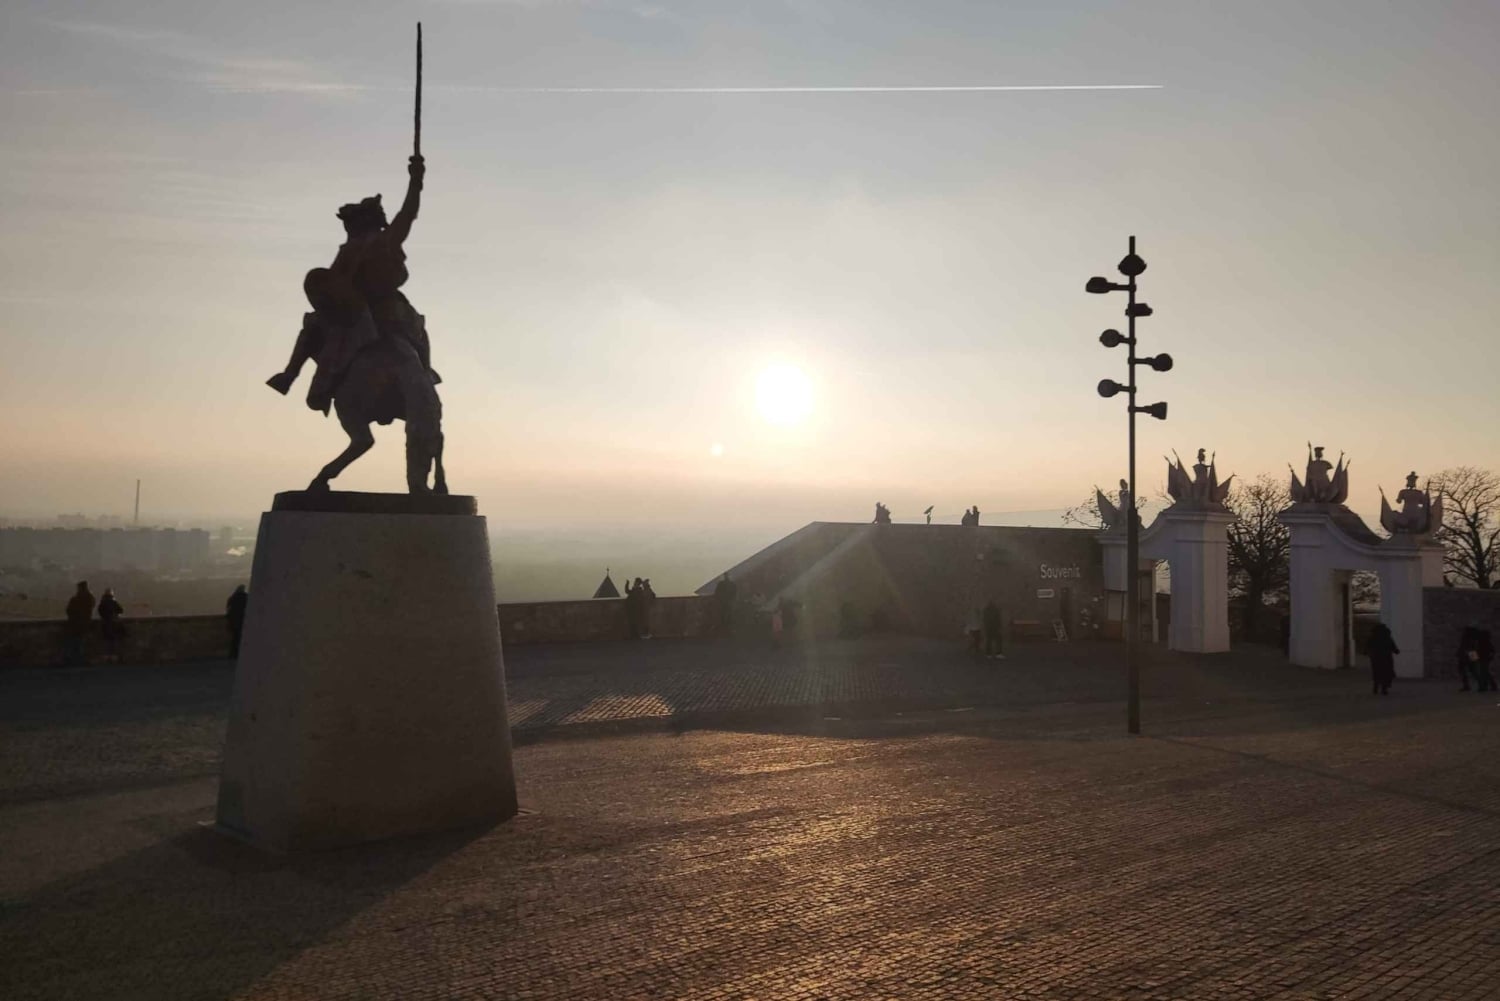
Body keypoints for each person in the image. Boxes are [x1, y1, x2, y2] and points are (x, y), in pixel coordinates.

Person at [64, 581, 95, 665]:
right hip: (84, 624)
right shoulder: (89, 598)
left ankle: (72, 658)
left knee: (74, 641)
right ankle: (79, 658)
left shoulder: (75, 599)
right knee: (80, 641)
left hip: (75, 624)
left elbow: (68, 610)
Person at [1367, 623, 1399, 695]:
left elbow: (1368, 646)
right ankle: (1384, 688)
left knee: (1376, 672)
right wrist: (1396, 651)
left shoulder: (1372, 637)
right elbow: (1392, 646)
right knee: (1386, 673)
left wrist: (1366, 652)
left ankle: (1375, 687)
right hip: (1386, 657)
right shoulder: (1387, 637)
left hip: (1376, 658)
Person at [97, 588, 124, 663]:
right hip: (113, 624)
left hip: (105, 624)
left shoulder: (102, 603)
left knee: (106, 640)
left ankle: (106, 657)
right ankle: (114, 657)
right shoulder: (114, 602)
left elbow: (100, 611)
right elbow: (121, 610)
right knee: (113, 640)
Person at [226, 585, 249, 659]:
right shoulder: (246, 597)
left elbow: (228, 609)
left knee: (235, 638)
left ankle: (233, 654)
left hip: (234, 621)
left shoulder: (232, 597)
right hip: (242, 620)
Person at [713, 572, 737, 636]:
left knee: (726, 616)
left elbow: (717, 593)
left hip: (726, 602)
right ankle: (725, 630)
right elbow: (717, 593)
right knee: (724, 616)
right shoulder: (725, 584)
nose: (727, 577)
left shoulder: (725, 584)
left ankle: (726, 630)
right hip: (725, 602)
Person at [1456, 625, 1479, 692]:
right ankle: (1468, 685)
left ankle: (1468, 685)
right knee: (1472, 670)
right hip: (1469, 654)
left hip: (1466, 655)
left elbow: (1465, 647)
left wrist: (1462, 654)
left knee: (1469, 670)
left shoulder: (1467, 638)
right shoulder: (1472, 638)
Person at [1475, 627, 1497, 693]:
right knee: (1485, 672)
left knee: (1483, 672)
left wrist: (1474, 659)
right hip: (1484, 658)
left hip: (1483, 658)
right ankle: (1489, 686)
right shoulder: (1485, 641)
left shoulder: (1481, 642)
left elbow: (1476, 650)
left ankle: (1484, 686)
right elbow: (1492, 651)